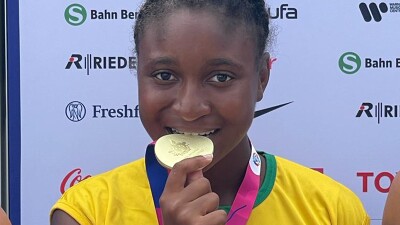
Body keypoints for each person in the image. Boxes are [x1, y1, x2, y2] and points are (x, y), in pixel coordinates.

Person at [50, 0, 370, 224]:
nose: (189, 109)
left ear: (261, 79)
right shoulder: (88, 212)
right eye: (164, 75)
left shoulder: (333, 211)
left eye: (221, 77)